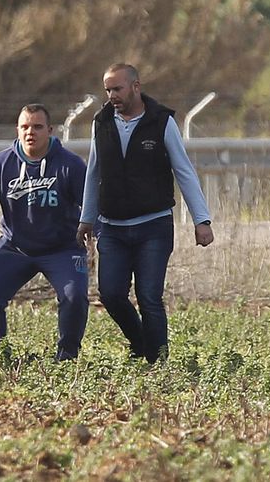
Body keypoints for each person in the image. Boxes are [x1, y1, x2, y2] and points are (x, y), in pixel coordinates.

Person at [77, 63, 215, 363]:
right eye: (108, 89)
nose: (112, 95)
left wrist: (201, 220)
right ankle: (141, 343)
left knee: (149, 297)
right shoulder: (101, 122)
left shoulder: (161, 122)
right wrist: (87, 217)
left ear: (136, 87)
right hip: (111, 227)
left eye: (118, 88)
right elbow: (93, 172)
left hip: (153, 226)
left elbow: (184, 171)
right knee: (111, 294)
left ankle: (158, 361)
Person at [0, 104, 90, 360]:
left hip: (63, 248)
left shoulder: (71, 165)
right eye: (24, 127)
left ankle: (67, 356)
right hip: (15, 248)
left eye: (37, 127)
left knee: (74, 297)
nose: (30, 132)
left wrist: (96, 235)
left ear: (50, 130)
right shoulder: (0, 164)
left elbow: (91, 208)